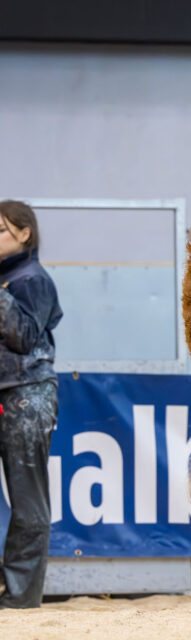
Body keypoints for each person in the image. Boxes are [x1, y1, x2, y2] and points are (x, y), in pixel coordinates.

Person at [0, 200, 62, 609]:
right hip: (9, 392)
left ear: (25, 233)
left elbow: (22, 337)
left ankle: (21, 597)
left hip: (27, 395)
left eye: (0, 230)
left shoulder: (32, 279)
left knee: (27, 499)